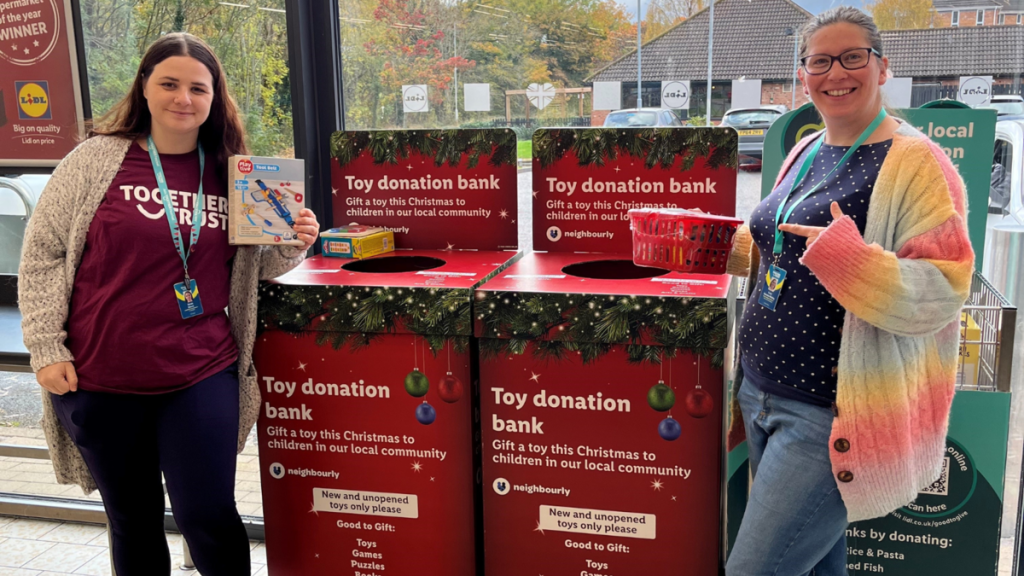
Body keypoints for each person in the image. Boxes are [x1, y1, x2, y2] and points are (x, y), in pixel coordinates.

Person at [18, 33, 320, 576]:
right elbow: (42, 252)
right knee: (132, 518)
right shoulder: (93, 161)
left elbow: (256, 266)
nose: (184, 98)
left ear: (214, 97)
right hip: (99, 373)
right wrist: (46, 348)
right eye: (169, 84)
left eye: (198, 88)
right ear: (144, 87)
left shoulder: (237, 173)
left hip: (199, 369)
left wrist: (295, 241)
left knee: (208, 514)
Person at [724, 7, 973, 575]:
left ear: (882, 67)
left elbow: (943, 290)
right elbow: (782, 248)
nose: (835, 72)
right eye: (819, 61)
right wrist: (716, 247)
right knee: (816, 565)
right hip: (761, 392)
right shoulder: (806, 148)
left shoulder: (917, 162)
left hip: (829, 417)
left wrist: (852, 261)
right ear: (803, 74)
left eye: (852, 57)